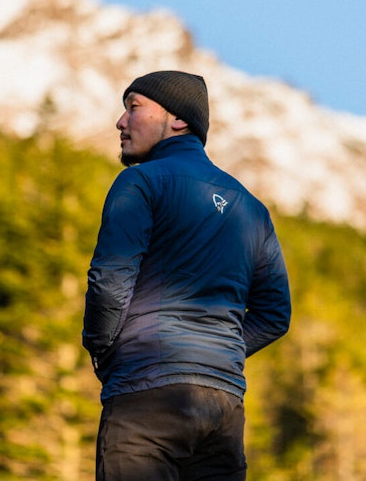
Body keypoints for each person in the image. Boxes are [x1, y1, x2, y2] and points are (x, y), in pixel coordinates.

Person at [83, 70, 292, 480]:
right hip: (223, 408)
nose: (121, 122)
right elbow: (274, 315)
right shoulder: (252, 209)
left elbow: (110, 283)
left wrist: (102, 349)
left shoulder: (139, 183)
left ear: (178, 120)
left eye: (133, 108)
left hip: (149, 396)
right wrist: (217, 353)